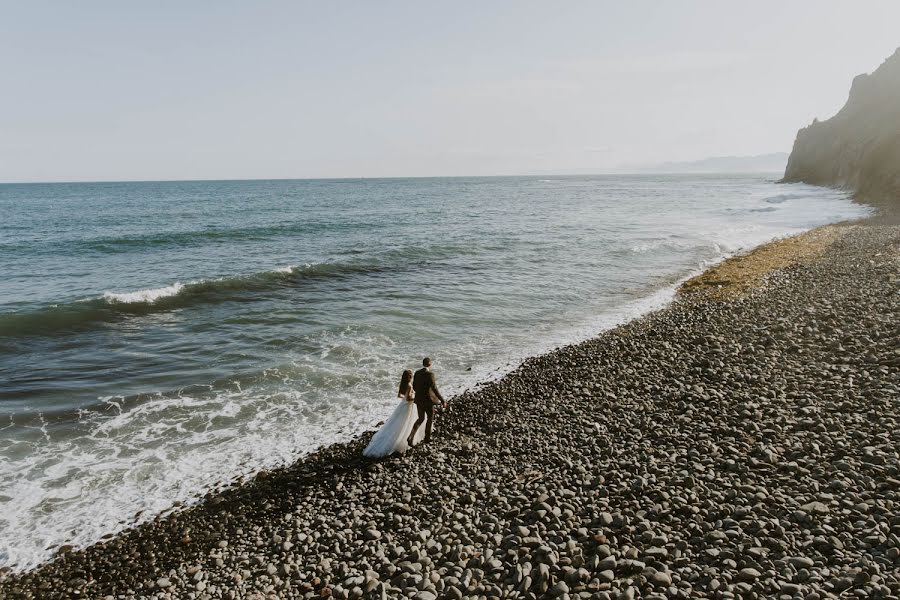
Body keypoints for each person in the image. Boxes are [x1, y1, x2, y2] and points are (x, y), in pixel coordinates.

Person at [363, 370, 424, 458]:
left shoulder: (402, 384)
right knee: (406, 423)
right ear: (410, 377)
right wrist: (415, 397)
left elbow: (400, 395)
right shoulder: (409, 385)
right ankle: (402, 442)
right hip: (408, 406)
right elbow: (409, 398)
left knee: (397, 423)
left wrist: (406, 397)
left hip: (402, 405)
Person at [407, 357, 446, 446]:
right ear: (430, 364)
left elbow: (415, 387)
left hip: (419, 400)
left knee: (420, 419)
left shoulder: (417, 373)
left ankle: (410, 436)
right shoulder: (430, 374)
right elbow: (434, 388)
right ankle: (427, 438)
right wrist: (442, 400)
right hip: (428, 401)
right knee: (430, 418)